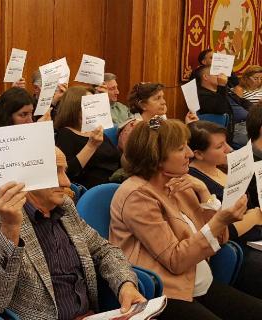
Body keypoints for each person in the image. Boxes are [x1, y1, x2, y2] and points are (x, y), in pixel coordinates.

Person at [110, 117, 262, 319]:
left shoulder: (179, 182)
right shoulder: (137, 195)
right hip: (167, 293)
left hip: (197, 283)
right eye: (181, 149)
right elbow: (176, 261)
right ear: (157, 156)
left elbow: (221, 237)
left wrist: (205, 192)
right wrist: (220, 220)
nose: (190, 154)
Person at [0, 147, 144, 320]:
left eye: (65, 171)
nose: (67, 182)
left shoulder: (65, 206)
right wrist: (10, 228)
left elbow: (104, 251)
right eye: (55, 172)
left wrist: (125, 285)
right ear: (28, 177)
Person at [188, 120, 262, 299]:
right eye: (220, 146)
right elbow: (220, 231)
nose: (229, 149)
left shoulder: (224, 167)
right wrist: (254, 217)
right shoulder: (194, 183)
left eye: (226, 142)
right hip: (235, 247)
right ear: (198, 154)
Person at [54, 86, 120, 189]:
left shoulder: (95, 130)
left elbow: (115, 158)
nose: (93, 109)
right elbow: (67, 172)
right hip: (92, 190)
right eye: (89, 104)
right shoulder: (66, 133)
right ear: (74, 107)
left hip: (115, 183)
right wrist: (91, 146)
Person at [118, 82, 196, 152]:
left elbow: (173, 142)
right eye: (157, 98)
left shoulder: (155, 120)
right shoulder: (133, 128)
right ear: (142, 105)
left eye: (163, 97)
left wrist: (189, 125)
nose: (164, 102)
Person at [196, 65, 248, 146]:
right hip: (228, 133)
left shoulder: (223, 90)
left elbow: (242, 101)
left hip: (243, 124)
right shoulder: (201, 94)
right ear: (205, 77)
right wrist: (222, 86)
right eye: (217, 74)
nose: (222, 76)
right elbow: (221, 109)